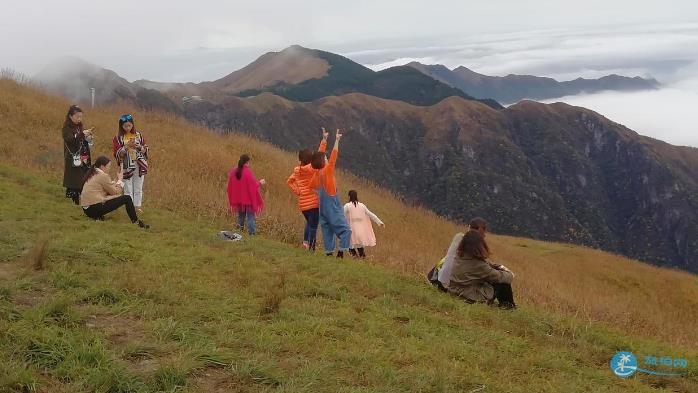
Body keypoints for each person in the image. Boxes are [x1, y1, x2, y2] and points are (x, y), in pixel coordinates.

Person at [447, 218, 516, 309]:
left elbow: (485, 264)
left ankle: (507, 305)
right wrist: (510, 274)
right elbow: (501, 277)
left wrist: (498, 266)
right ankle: (508, 305)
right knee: (502, 281)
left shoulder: (460, 255)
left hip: (454, 290)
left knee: (495, 275)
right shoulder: (478, 266)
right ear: (479, 246)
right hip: (466, 296)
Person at [309, 129, 352, 258]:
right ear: (324, 162)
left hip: (323, 210)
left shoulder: (317, 172)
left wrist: (324, 140)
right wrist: (337, 140)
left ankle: (328, 254)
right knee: (346, 231)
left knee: (328, 232)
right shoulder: (327, 171)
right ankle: (340, 253)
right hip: (333, 208)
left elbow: (318, 156)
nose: (327, 158)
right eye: (325, 158)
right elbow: (333, 156)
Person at [286, 128, 329, 250]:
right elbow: (320, 155)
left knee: (309, 224)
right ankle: (312, 248)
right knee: (314, 227)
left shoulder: (297, 170)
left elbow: (289, 181)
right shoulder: (312, 169)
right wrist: (324, 140)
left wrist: (298, 191)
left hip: (303, 204)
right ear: (310, 159)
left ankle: (306, 243)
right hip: (313, 202)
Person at [80, 155, 149, 228]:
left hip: (87, 209)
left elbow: (108, 186)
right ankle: (136, 221)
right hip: (93, 208)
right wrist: (120, 180)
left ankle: (97, 216)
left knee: (114, 196)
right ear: (102, 167)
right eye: (108, 166)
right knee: (127, 198)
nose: (109, 169)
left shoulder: (93, 172)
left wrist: (117, 181)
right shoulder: (102, 175)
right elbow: (116, 192)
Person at [113, 114, 148, 211]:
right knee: (128, 186)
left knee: (138, 185)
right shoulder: (118, 138)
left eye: (130, 125)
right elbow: (117, 153)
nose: (128, 128)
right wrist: (126, 146)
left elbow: (145, 148)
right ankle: (130, 207)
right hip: (126, 165)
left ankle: (137, 206)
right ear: (121, 126)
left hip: (138, 163)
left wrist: (140, 147)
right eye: (125, 126)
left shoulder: (138, 135)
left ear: (132, 124)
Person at [62, 105, 94, 204]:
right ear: (71, 116)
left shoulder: (79, 126)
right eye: (77, 117)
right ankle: (75, 200)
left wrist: (88, 137)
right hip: (73, 156)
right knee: (75, 178)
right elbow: (71, 139)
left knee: (84, 174)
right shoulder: (66, 127)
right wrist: (82, 134)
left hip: (83, 154)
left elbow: (81, 139)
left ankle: (82, 199)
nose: (79, 119)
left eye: (81, 117)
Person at [227, 154, 265, 235]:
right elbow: (253, 186)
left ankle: (238, 232)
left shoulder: (234, 172)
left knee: (240, 217)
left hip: (238, 200)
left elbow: (230, 186)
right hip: (248, 201)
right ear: (247, 162)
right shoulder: (247, 173)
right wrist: (260, 183)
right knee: (251, 218)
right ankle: (252, 234)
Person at [343, 190, 384, 258]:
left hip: (351, 228)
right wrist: (379, 222)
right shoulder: (362, 205)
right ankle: (362, 258)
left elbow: (341, 215)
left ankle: (355, 258)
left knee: (349, 245)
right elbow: (370, 214)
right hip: (361, 229)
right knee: (359, 245)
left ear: (349, 196)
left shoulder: (347, 206)